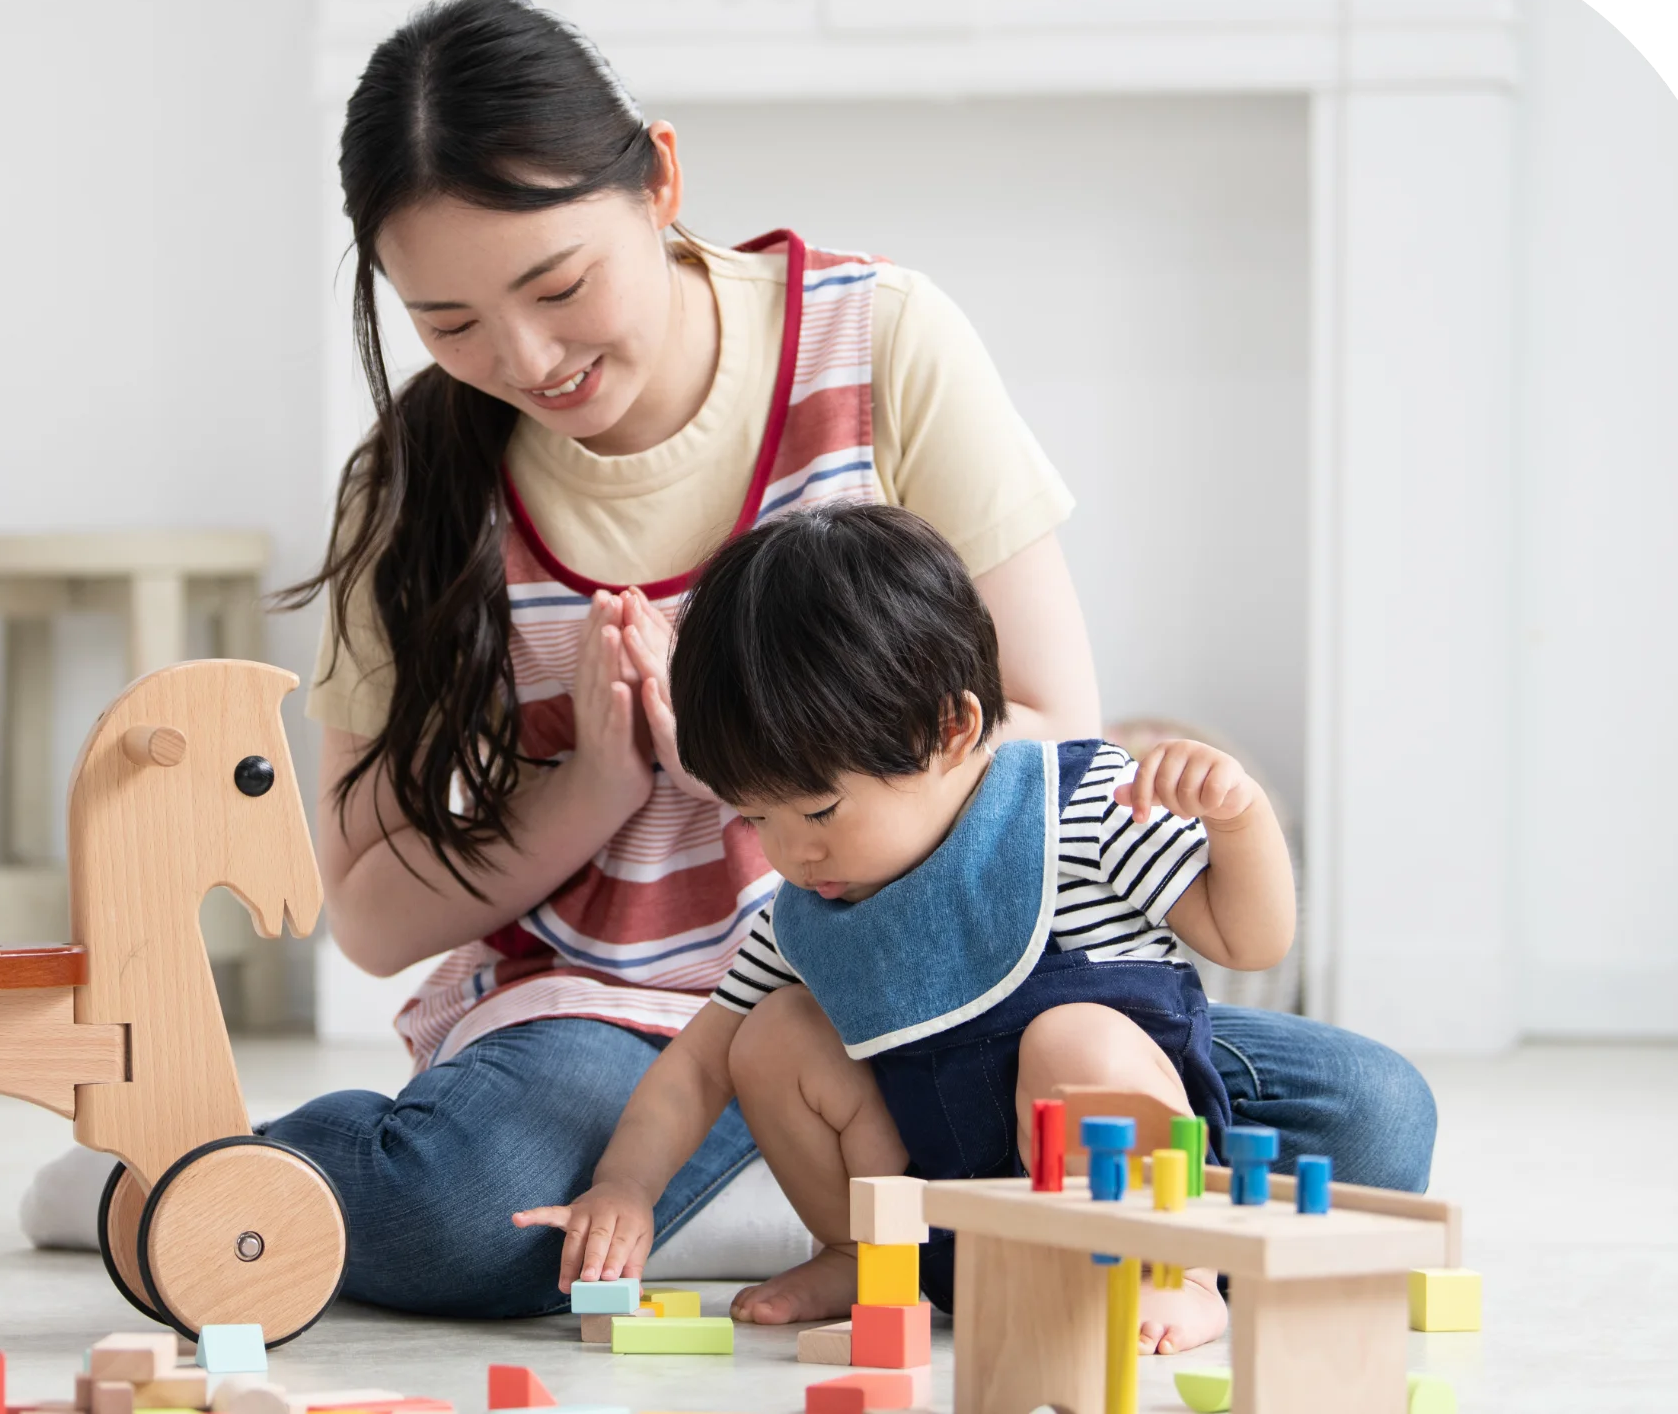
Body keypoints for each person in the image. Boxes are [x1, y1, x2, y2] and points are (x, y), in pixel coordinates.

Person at [23, 0, 1436, 1323]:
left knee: (1370, 1124)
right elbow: (380, 916)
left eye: (559, 285)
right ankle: (197, 1176)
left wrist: (785, 732)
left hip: (951, 975)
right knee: (466, 1214)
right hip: (618, 1022)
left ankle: (800, 1191)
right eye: (448, 323)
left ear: (662, 184)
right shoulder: (411, 493)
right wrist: (601, 786)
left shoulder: (880, 339)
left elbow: (1047, 724)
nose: (524, 358)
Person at [512, 502, 1295, 1353]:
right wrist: (624, 1186)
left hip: (1128, 1206)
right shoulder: (813, 912)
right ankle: (863, 1255)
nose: (789, 853)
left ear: (951, 729)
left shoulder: (1080, 813)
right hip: (938, 1232)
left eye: (816, 810)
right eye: (755, 819)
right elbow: (697, 1068)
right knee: (770, 1035)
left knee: (1078, 1042)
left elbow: (1251, 942)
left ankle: (1171, 1274)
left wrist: (1238, 820)